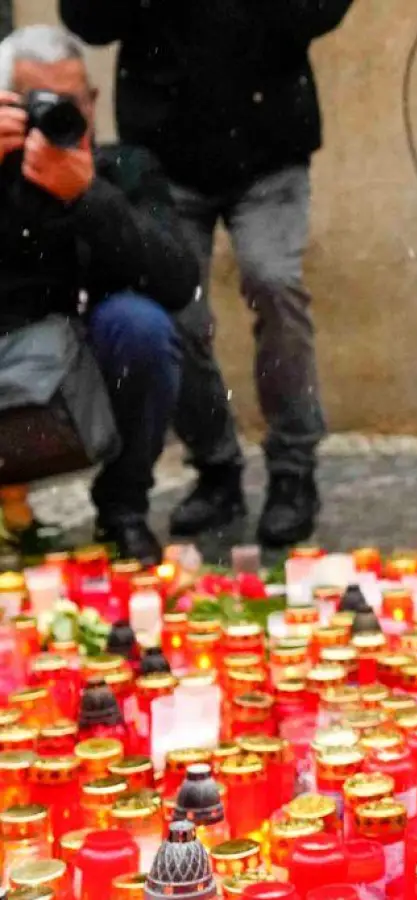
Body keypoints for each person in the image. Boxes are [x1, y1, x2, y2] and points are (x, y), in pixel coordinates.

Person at [60, 0, 354, 548]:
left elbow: (319, 13)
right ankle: (216, 466)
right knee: (178, 311)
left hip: (270, 146)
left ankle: (293, 469)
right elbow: (88, 20)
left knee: (273, 282)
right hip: (163, 154)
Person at [0, 25, 198, 565]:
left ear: (93, 101)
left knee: (142, 326)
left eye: (71, 102)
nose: (58, 118)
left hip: (77, 385)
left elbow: (180, 280)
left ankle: (123, 510)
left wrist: (87, 197)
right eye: (36, 104)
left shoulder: (124, 170)